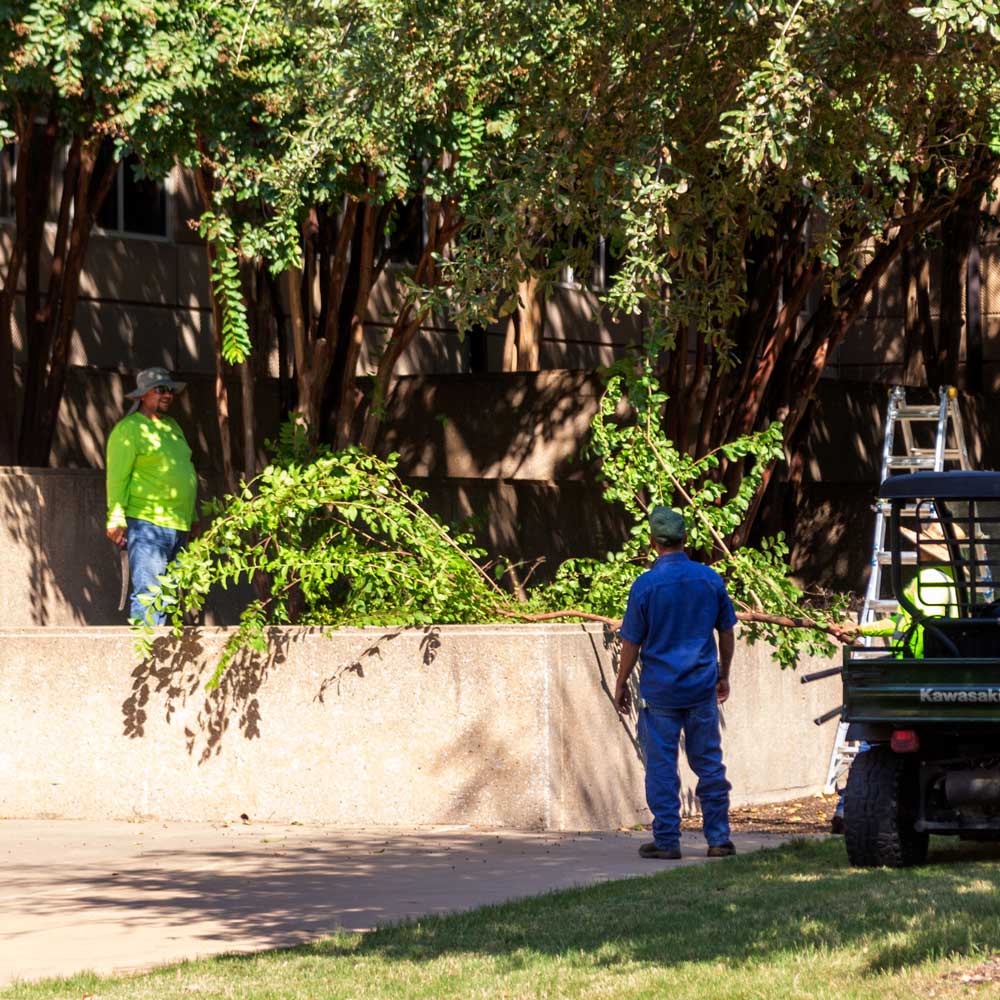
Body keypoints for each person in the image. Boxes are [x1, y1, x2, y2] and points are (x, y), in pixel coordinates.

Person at [614, 506, 739, 860]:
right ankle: (718, 839)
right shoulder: (709, 579)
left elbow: (632, 642)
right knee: (709, 763)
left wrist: (621, 682)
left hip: (661, 692)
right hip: (701, 687)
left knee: (661, 767)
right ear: (685, 539)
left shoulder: (646, 585)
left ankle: (667, 840)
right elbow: (727, 630)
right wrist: (723, 674)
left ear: (653, 542)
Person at [105, 367, 197, 625]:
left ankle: (160, 660)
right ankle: (145, 661)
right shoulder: (129, 429)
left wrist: (193, 516)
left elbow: (185, 470)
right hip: (147, 523)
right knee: (150, 594)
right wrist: (115, 518)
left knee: (168, 597)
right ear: (143, 395)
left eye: (170, 390)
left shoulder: (173, 426)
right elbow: (117, 478)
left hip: (179, 524)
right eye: (161, 389)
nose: (168, 394)